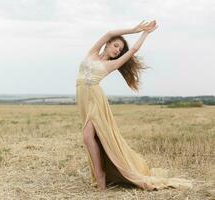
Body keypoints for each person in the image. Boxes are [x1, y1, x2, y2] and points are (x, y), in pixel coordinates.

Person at [75, 20, 193, 191]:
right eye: (115, 45)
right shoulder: (92, 53)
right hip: (82, 98)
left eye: (119, 49)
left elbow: (133, 50)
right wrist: (134, 29)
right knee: (94, 138)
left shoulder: (111, 65)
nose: (117, 50)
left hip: (95, 99)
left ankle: (100, 175)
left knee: (87, 137)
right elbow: (109, 32)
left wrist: (145, 34)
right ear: (107, 45)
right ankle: (103, 173)